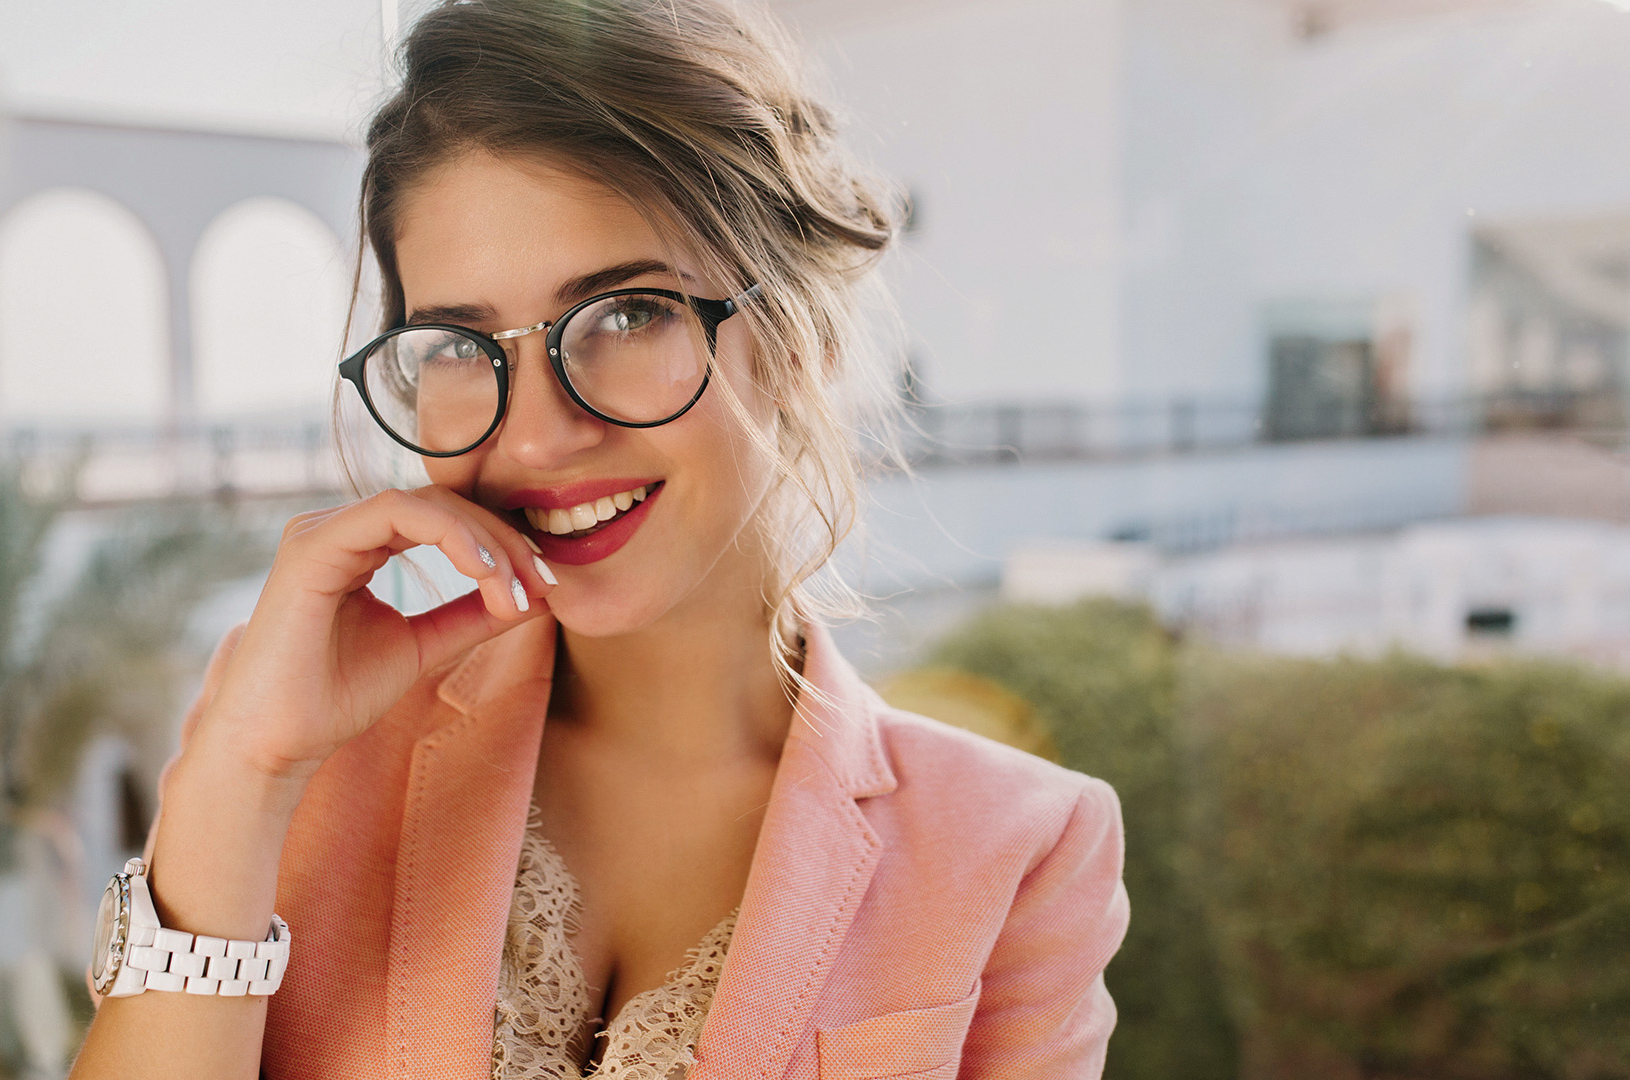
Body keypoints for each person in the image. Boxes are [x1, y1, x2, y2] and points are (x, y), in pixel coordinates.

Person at [69, 0, 1128, 1076]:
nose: (535, 435)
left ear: (796, 338)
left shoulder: (1017, 850)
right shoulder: (298, 736)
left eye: (627, 314)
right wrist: (244, 776)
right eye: (457, 345)